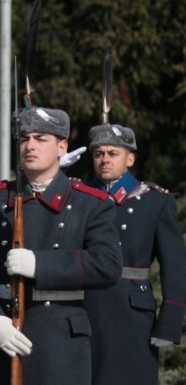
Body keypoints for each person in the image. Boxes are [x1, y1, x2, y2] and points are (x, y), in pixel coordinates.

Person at [0, 106, 122, 384]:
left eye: (41, 139)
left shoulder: (89, 204)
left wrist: (40, 264)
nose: (30, 146)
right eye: (24, 139)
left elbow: (108, 264)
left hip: (60, 343)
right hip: (3, 336)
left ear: (62, 147)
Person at [83, 122, 186, 384]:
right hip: (85, 308)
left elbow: (175, 265)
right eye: (98, 154)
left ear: (130, 159)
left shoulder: (155, 201)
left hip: (131, 314)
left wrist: (170, 322)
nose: (105, 159)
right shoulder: (80, 198)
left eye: (113, 153)